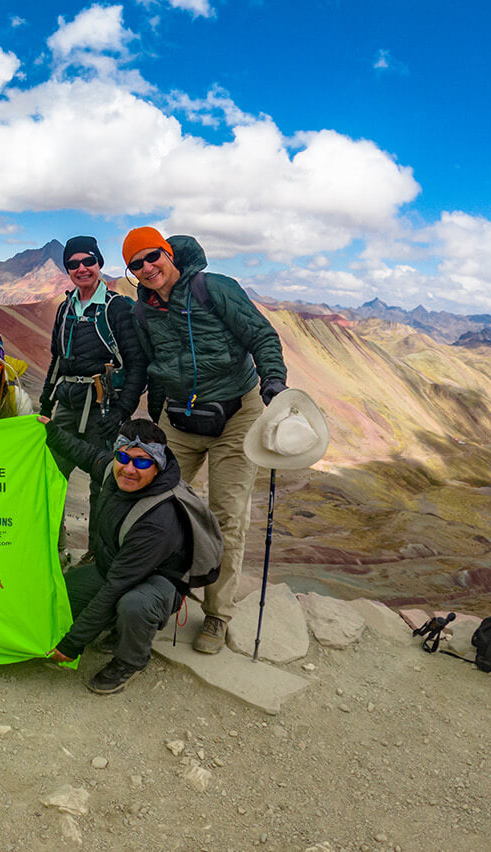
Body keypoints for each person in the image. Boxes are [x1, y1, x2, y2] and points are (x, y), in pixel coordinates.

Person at [126, 227, 287, 654]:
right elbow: (152, 368)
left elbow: (261, 335)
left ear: (167, 253)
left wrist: (273, 379)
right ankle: (156, 596)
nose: (147, 268)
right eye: (135, 264)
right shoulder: (142, 313)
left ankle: (217, 615)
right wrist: (148, 425)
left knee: (226, 514)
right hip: (179, 415)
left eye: (152, 257)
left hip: (237, 411)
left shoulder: (213, 288)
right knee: (156, 502)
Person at [44, 417, 191, 694]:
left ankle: (130, 661)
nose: (130, 469)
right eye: (123, 457)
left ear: (158, 466)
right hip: (115, 568)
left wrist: (71, 645)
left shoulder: (158, 519)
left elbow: (116, 586)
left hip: (156, 582)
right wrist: (49, 430)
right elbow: (85, 453)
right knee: (62, 596)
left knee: (133, 604)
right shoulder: (113, 470)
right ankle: (114, 623)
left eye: (143, 462)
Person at [38, 236, 147, 510]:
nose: (81, 268)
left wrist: (122, 411)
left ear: (99, 263)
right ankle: (53, 548)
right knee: (49, 477)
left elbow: (137, 364)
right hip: (67, 405)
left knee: (104, 484)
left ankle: (97, 554)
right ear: (67, 269)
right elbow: (57, 360)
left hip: (104, 409)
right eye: (73, 264)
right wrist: (46, 404)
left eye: (88, 261)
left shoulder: (117, 307)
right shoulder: (65, 308)